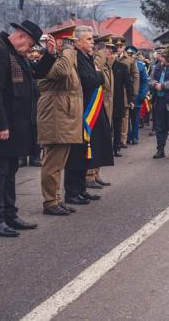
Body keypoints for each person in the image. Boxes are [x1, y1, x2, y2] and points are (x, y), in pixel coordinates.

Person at [0, 20, 56, 237]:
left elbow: (36, 74)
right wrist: (1, 125)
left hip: (17, 126)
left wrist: (49, 55)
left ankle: (10, 215)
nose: (31, 50)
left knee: (10, 171)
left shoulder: (16, 55)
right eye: (30, 45)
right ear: (21, 36)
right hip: (2, 127)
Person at [64, 26, 114, 205]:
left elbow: (97, 78)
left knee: (86, 152)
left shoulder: (88, 57)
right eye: (88, 39)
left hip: (89, 111)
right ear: (77, 42)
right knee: (76, 154)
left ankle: (81, 189)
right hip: (81, 111)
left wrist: (98, 76)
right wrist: (99, 76)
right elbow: (90, 80)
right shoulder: (77, 58)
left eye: (92, 39)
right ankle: (71, 192)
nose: (92, 42)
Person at [37, 27, 83, 216]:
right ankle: (49, 201)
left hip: (63, 117)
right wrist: (68, 50)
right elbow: (63, 72)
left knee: (59, 163)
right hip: (55, 117)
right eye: (66, 41)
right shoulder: (48, 62)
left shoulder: (60, 59)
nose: (70, 46)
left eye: (70, 42)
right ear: (55, 42)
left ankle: (55, 199)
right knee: (52, 163)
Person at [86, 35, 116, 189]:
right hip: (96, 106)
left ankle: (96, 173)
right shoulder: (96, 62)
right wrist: (100, 53)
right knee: (94, 141)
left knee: (102, 141)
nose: (110, 52)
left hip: (105, 106)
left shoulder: (107, 65)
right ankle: (90, 175)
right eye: (107, 49)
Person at [114, 36, 140, 149]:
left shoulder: (130, 59)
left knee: (124, 116)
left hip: (124, 91)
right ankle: (114, 139)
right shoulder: (111, 57)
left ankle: (123, 139)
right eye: (117, 46)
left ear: (124, 47)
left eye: (120, 46)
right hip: (112, 91)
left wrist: (133, 93)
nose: (118, 48)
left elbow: (135, 76)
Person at [112, 43, 134, 158]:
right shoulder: (104, 67)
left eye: (114, 53)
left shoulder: (122, 67)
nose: (111, 56)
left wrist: (131, 99)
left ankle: (117, 148)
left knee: (117, 125)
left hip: (118, 100)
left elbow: (129, 84)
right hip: (105, 101)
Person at [127, 46, 148, 145]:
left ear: (135, 55)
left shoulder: (140, 66)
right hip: (126, 95)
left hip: (137, 96)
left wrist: (142, 95)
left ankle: (134, 137)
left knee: (135, 119)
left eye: (132, 54)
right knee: (126, 118)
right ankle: (127, 136)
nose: (130, 55)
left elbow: (144, 82)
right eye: (129, 53)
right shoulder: (123, 63)